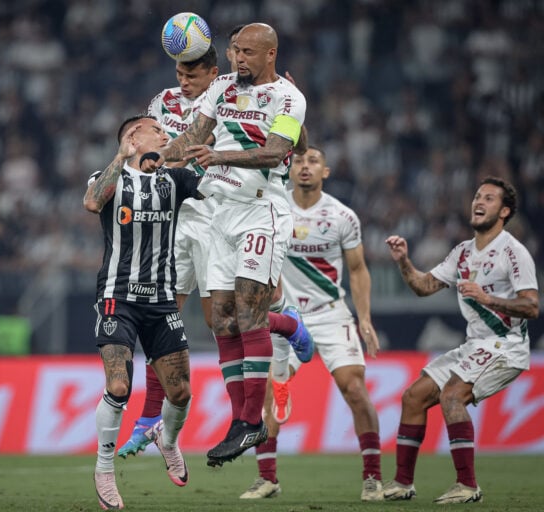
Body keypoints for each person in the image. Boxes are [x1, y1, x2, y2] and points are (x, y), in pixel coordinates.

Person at [117, 41, 313, 460]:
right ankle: (240, 422)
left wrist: (216, 155)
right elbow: (193, 135)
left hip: (260, 207)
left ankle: (249, 421)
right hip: (217, 210)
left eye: (246, 51)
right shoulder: (221, 87)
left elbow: (279, 150)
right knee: (222, 321)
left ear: (271, 53)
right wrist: (150, 159)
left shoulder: (289, 96)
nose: (238, 58)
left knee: (248, 313)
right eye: (234, 50)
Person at [241, 146, 385, 501]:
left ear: (326, 171)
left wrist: (364, 318)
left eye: (314, 162)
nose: (305, 167)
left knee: (354, 390)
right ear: (290, 169)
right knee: (271, 396)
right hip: (287, 315)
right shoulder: (274, 208)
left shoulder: (342, 216)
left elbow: (357, 270)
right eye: (300, 161)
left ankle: (373, 477)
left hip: (331, 312)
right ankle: (267, 478)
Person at [383, 176, 539, 504]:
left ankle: (467, 485)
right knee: (413, 397)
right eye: (478, 196)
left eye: (489, 199)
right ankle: (402, 484)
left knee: (452, 396)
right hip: (474, 345)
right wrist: (404, 262)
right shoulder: (462, 252)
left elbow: (531, 306)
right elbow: (424, 287)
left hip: (505, 345)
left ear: (504, 211)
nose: (479, 202)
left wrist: (487, 299)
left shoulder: (514, 252)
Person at [84, 115, 202, 510]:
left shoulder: (176, 180)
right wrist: (121, 156)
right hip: (118, 298)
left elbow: (220, 193)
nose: (165, 134)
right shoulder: (110, 176)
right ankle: (103, 470)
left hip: (161, 301)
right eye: (157, 129)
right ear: (134, 137)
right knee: (119, 386)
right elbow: (91, 202)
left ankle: (166, 440)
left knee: (181, 391)